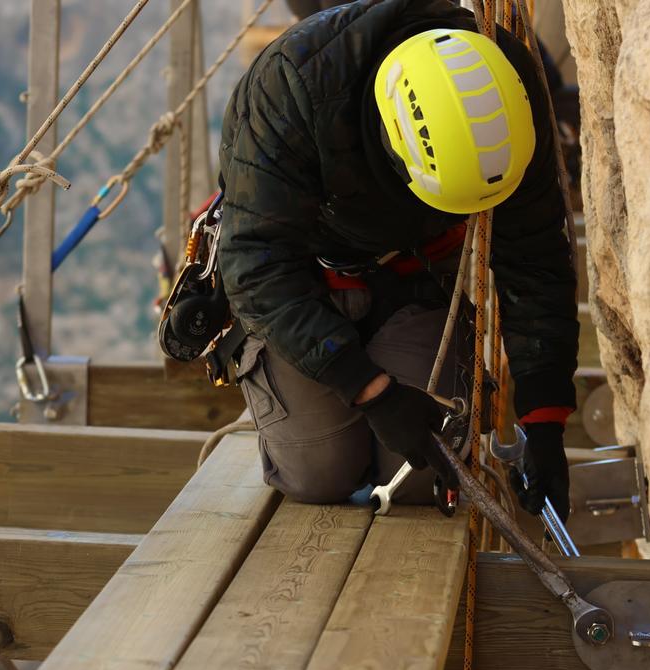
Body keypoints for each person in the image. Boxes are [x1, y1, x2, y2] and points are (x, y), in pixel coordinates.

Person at [217, 0, 578, 519]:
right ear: (392, 147)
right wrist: (371, 390)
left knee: (419, 474)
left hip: (416, 276)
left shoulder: (508, 89)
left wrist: (544, 420)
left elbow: (534, 252)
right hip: (303, 276)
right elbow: (255, 261)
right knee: (320, 476)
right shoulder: (292, 85)